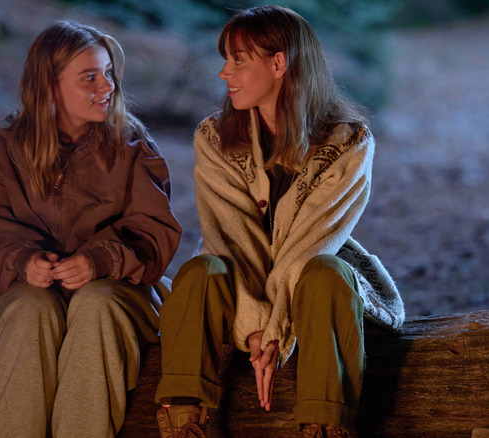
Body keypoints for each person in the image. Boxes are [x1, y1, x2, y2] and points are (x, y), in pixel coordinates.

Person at [154, 5, 404, 437]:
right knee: (200, 270)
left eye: (238, 60)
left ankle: (324, 427)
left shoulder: (349, 141)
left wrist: (275, 332)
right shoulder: (214, 139)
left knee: (325, 271)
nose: (223, 73)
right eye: (225, 59)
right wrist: (255, 329)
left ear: (279, 63)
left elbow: (308, 245)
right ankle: (182, 422)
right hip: (241, 287)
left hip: (312, 290)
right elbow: (232, 239)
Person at [0, 19, 182, 437]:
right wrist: (23, 262)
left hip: (118, 291)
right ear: (49, 86)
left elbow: (154, 231)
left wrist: (98, 260)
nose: (107, 85)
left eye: (109, 72)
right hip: (24, 290)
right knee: (30, 309)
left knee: (95, 304)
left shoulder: (132, 147)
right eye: (89, 77)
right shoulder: (1, 150)